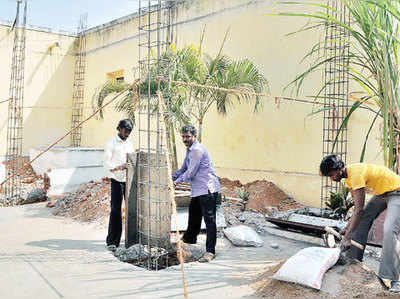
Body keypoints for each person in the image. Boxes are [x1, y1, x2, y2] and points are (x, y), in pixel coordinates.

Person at [320, 154, 400, 293]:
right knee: (362, 221)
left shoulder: (355, 174)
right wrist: (347, 228)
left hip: (397, 192)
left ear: (338, 169)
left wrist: (347, 238)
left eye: (331, 175)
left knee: (388, 230)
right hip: (382, 193)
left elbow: (359, 209)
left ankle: (392, 279)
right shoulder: (348, 178)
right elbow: (358, 212)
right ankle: (354, 263)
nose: (331, 179)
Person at [173, 125, 221, 262]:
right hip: (198, 189)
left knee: (209, 221)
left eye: (187, 136)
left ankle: (210, 252)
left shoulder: (197, 150)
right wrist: (172, 176)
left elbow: (191, 172)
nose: (185, 139)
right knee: (194, 216)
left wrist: (177, 181)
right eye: (183, 136)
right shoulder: (190, 150)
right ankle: (189, 241)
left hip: (207, 189)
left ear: (195, 136)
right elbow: (184, 168)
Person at [103, 119, 134, 252]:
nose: (127, 134)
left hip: (129, 180)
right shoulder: (111, 144)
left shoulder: (130, 144)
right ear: (119, 129)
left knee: (131, 210)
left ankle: (131, 240)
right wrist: (119, 167)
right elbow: (106, 163)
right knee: (116, 210)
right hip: (116, 180)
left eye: (129, 132)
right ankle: (112, 241)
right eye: (125, 131)